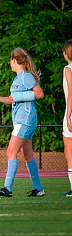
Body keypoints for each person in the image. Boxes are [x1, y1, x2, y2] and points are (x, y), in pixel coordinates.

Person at [0, 47, 45, 197]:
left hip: (25, 120)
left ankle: (7, 188)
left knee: (10, 152)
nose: (9, 63)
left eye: (10, 61)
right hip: (24, 120)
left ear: (14, 60)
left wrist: (18, 97)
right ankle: (39, 189)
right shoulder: (18, 78)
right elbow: (13, 99)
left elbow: (39, 94)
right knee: (28, 155)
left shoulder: (25, 76)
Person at [62, 39, 72, 197]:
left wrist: (69, 115)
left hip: (71, 113)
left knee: (69, 152)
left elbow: (71, 93)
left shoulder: (67, 69)